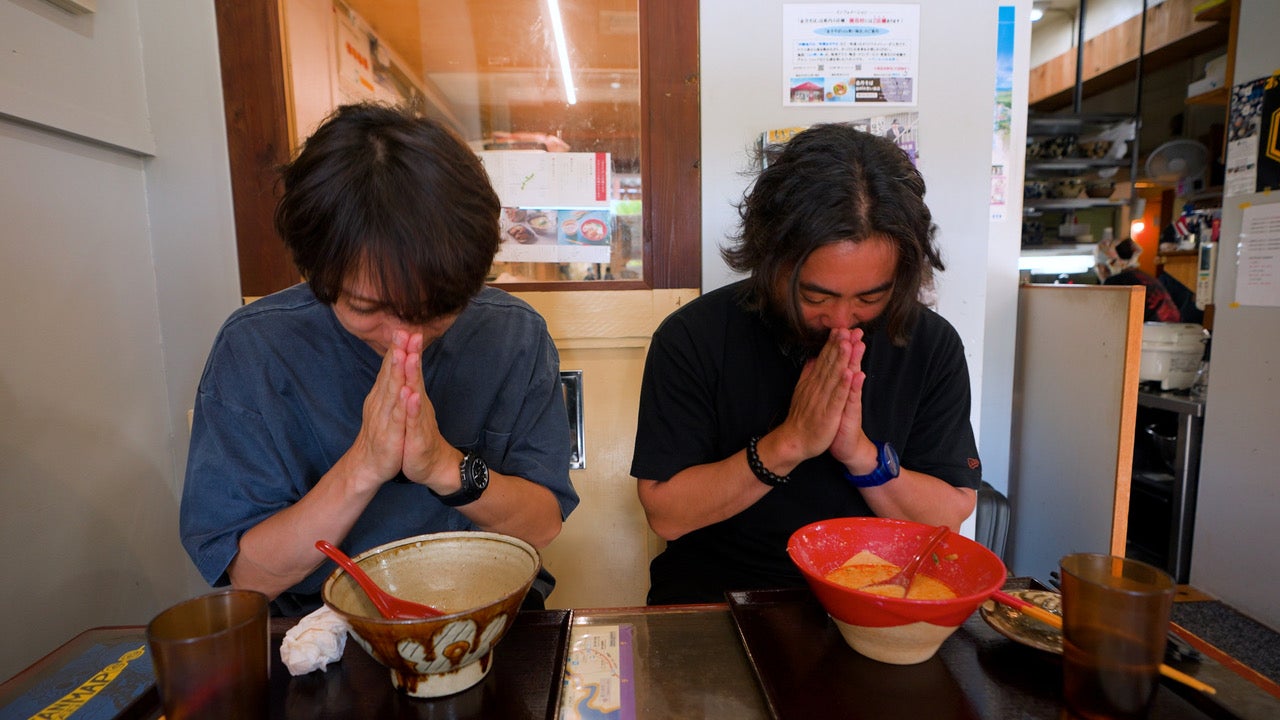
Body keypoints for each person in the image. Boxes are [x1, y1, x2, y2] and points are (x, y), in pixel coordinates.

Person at [180, 103, 579, 616]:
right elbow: (250, 577)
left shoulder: (512, 335)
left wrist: (443, 464)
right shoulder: (258, 349)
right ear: (315, 273)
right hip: (320, 628)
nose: (403, 336)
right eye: (366, 308)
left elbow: (542, 525)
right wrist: (365, 464)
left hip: (487, 614)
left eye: (437, 309)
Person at [631, 123, 981, 605]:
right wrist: (790, 442)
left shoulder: (930, 345)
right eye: (814, 295)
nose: (840, 320)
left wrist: (859, 453)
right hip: (717, 600)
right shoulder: (694, 337)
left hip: (878, 599)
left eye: (870, 297)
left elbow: (948, 515)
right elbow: (667, 514)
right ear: (770, 259)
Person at [1094, 237, 1181, 323]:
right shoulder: (1142, 276)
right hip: (1169, 330)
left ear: (1102, 267)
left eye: (1097, 266)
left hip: (1150, 333)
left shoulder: (1114, 283)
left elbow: (1106, 321)